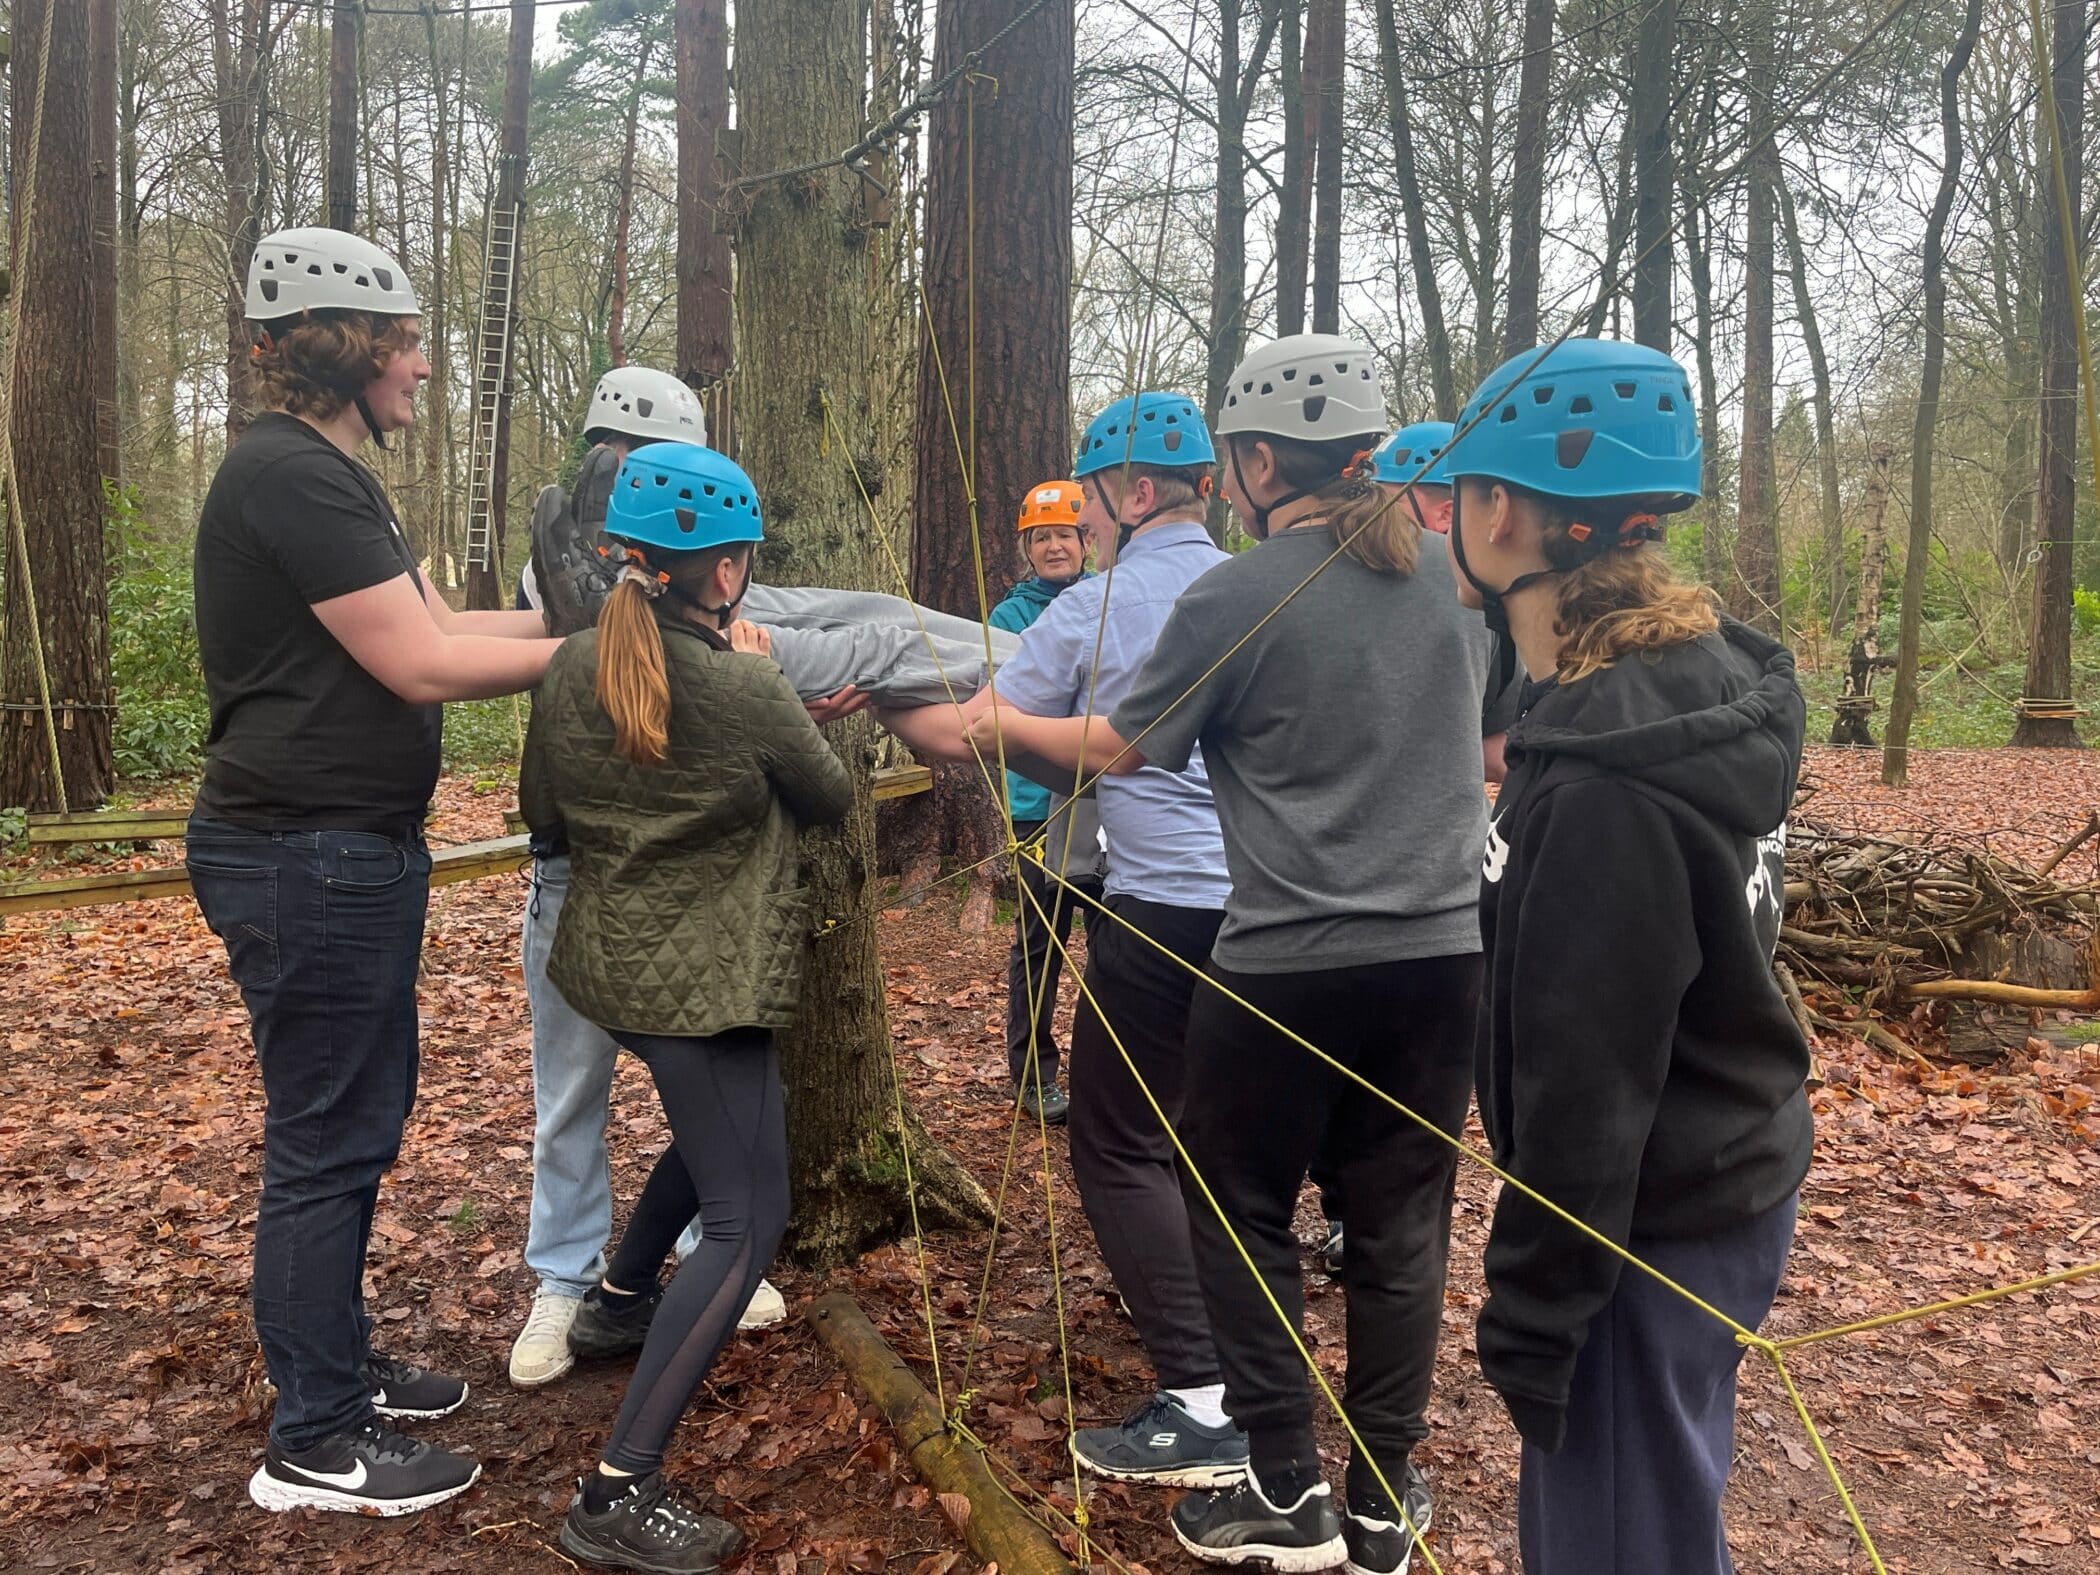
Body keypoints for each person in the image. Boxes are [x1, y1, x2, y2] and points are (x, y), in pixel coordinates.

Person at [979, 337, 1488, 1572]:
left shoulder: (1237, 594)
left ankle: (1284, 1484)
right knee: (1400, 1224)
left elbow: (1122, 748)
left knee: (1237, 1205)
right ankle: (1383, 1501)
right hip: (1443, 958)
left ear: (1258, 463)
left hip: (1285, 960)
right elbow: (1497, 750)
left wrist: (986, 725)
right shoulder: (1461, 580)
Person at [509, 373, 1018, 1389]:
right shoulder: (590, 593)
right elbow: (820, 789)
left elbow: (549, 786)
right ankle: (567, 1282)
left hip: (657, 886)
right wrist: (774, 709)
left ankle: (679, 1258)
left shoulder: (657, 584)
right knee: (582, 1094)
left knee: (883, 625)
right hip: (610, 882)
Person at [186, 227, 562, 1517]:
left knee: (356, 1121)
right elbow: (424, 665)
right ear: (346, 347)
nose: (422, 366)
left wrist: (604, 617)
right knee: (327, 1139)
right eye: (405, 343)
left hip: (338, 849)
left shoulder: (325, 471)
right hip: (306, 851)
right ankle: (315, 1438)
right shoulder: (291, 474)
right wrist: (612, 656)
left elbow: (443, 621)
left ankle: (334, 1367)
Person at [1443, 338, 1810, 1575]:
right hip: (1718, 1180)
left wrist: (1538, 1308)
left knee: (1615, 1545)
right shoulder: (1684, 684)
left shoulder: (1607, 778)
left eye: (1459, 493)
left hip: (1640, 1231)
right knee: (1655, 1520)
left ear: (1502, 513)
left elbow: (1590, 1081)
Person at [520, 440, 854, 1573]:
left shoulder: (573, 663)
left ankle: (618, 1299)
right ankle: (616, 1489)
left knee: (732, 1130)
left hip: (611, 968)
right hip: (705, 982)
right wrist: (780, 693)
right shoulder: (743, 681)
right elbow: (827, 796)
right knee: (749, 1216)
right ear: (723, 571)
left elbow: (543, 809)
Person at [908, 393, 1249, 1490]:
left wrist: (876, 697)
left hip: (1164, 910)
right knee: (1209, 1132)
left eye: (1093, 502)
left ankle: (1205, 1400)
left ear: (1136, 492)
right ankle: (1247, 1358)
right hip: (1273, 915)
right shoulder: (1253, 587)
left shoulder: (1096, 607)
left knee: (1114, 1142)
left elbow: (971, 730)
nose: (1085, 523)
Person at [986, 480, 1100, 1125]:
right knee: (1040, 942)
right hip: (1035, 801)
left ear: (1087, 541)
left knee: (1113, 944)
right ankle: (1033, 1074)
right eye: (1042, 537)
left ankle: (1110, 1074)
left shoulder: (1109, 600)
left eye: (1065, 534)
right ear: (1026, 548)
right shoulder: (1009, 619)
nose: (1055, 546)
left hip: (1102, 799)